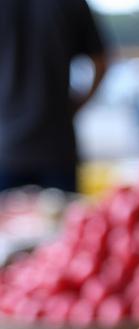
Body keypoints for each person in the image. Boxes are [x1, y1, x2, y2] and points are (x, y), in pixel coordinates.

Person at [0, 0, 109, 193]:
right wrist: (78, 104)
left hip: (8, 145)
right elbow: (101, 61)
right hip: (57, 145)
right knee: (63, 221)